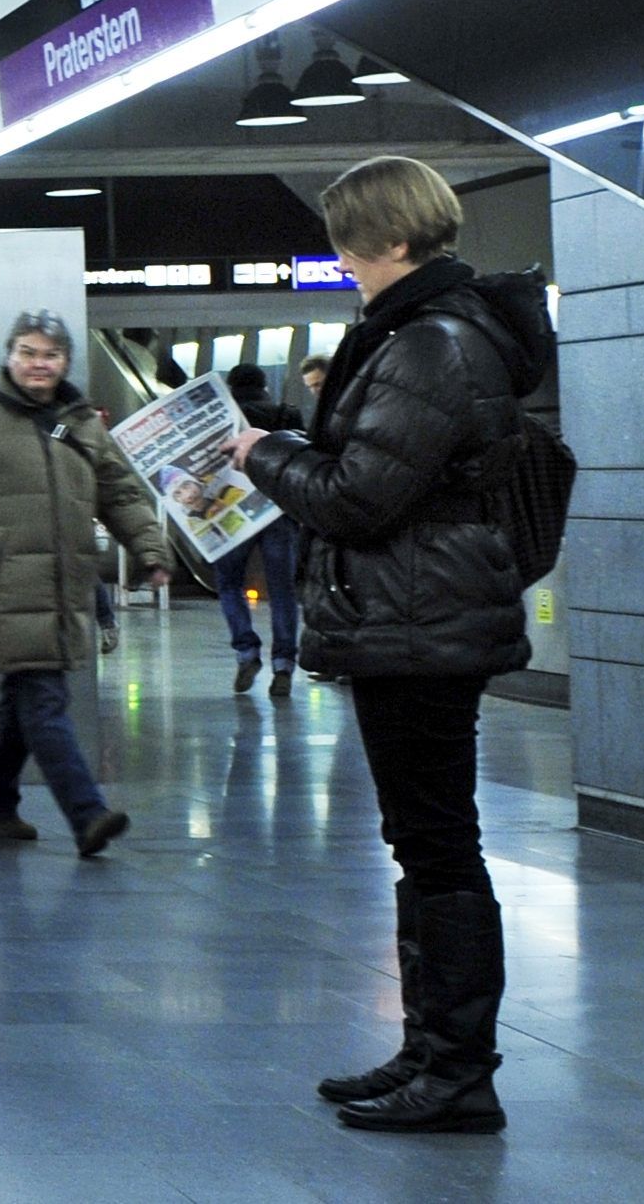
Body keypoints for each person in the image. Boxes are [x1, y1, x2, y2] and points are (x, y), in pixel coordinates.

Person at [232, 154, 547, 1137]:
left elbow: (360, 496)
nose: (343, 259)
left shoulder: (428, 342)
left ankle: (458, 1071)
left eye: (350, 241)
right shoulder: (427, 331)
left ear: (394, 240)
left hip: (421, 619)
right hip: (413, 614)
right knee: (424, 839)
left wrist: (261, 453)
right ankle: (431, 1049)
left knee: (440, 841)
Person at [0, 309, 170, 856]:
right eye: (29, 352)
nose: (39, 364)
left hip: (66, 587)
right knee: (44, 702)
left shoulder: (83, 425)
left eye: (51, 355)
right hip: (5, 588)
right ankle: (87, 815)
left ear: (65, 362)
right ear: (9, 357)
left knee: (22, 704)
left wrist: (150, 550)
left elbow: (121, 493)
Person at [221, 362, 304, 699]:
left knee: (229, 584)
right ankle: (283, 664)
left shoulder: (224, 415)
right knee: (282, 590)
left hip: (231, 514)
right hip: (277, 512)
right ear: (264, 384)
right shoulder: (287, 414)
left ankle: (246, 652)